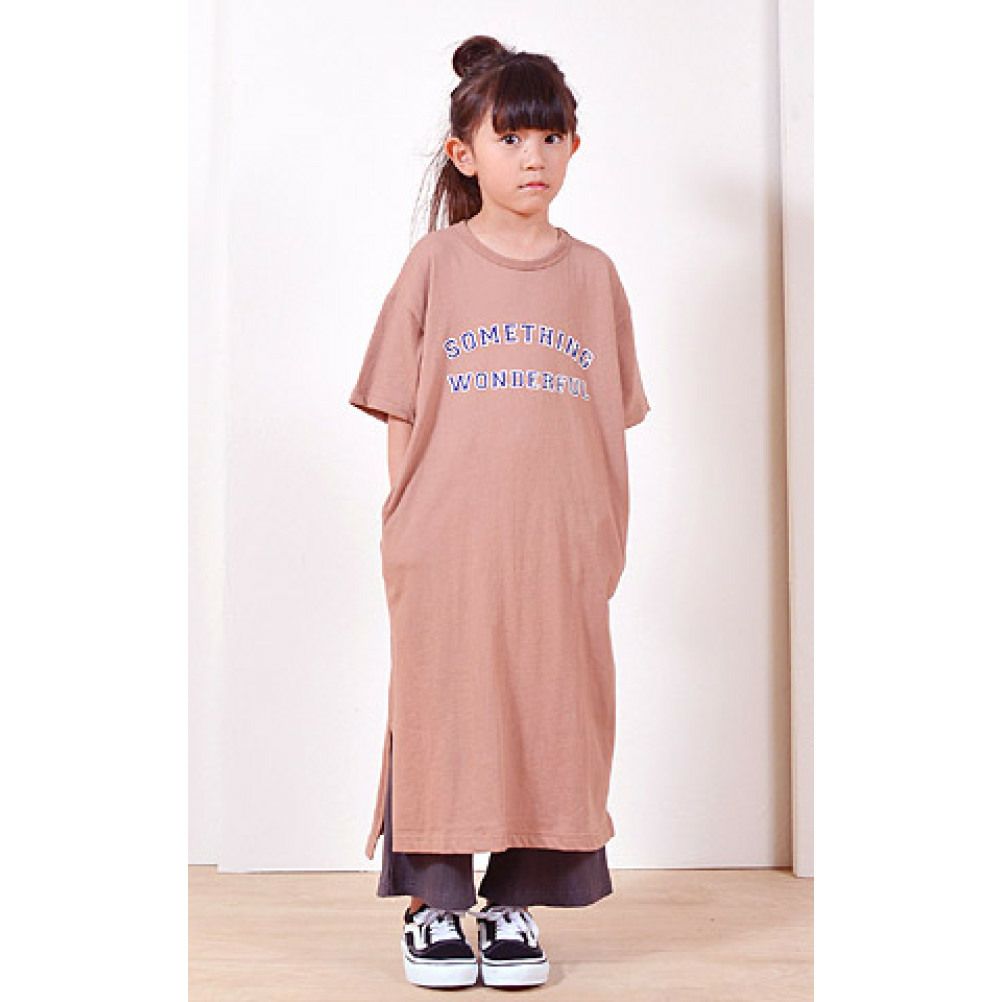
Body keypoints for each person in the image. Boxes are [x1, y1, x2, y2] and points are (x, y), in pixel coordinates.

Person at [349, 34, 651, 989]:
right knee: (446, 708)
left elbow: (610, 419)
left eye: (550, 137)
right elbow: (399, 408)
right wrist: (407, 527)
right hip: (446, 542)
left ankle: (516, 900)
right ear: (464, 153)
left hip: (561, 547)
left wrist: (598, 536)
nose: (534, 157)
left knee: (551, 712)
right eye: (511, 138)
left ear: (574, 147)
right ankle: (434, 903)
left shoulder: (594, 276)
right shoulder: (434, 266)